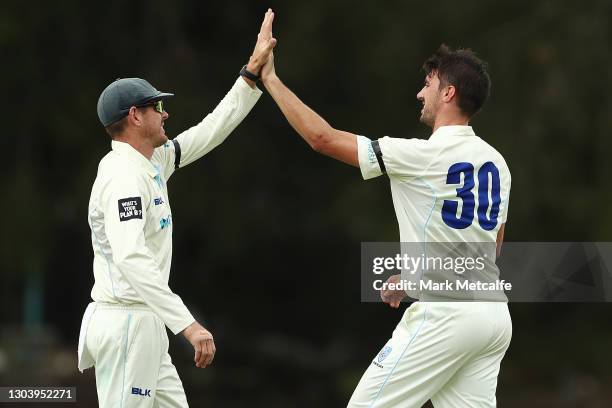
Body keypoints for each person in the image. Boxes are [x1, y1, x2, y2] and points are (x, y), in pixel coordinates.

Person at [259, 11, 512, 408]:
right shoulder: (497, 163)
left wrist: (269, 80)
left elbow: (322, 139)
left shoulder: (423, 156)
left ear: (448, 93)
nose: (419, 93)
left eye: (427, 84)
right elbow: (491, 248)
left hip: (445, 317)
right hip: (492, 316)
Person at [76, 10, 277, 407]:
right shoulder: (122, 177)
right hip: (126, 324)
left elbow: (209, 131)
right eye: (155, 107)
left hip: (147, 325)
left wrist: (251, 74)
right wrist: (187, 325)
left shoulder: (152, 161)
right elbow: (132, 258)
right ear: (134, 116)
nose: (165, 113)